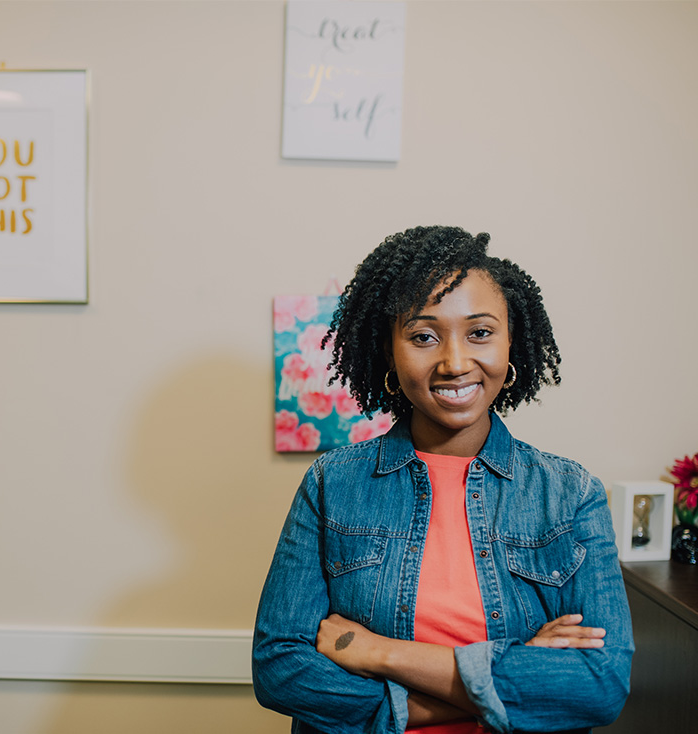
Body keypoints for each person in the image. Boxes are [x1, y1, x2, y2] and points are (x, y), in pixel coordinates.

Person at [252, 226, 633, 734]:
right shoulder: (332, 484)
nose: (454, 363)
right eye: (423, 336)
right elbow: (280, 669)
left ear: (510, 342)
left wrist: (381, 653)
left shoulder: (570, 494)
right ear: (390, 350)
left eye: (480, 333)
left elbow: (599, 686)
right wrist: (495, 681)